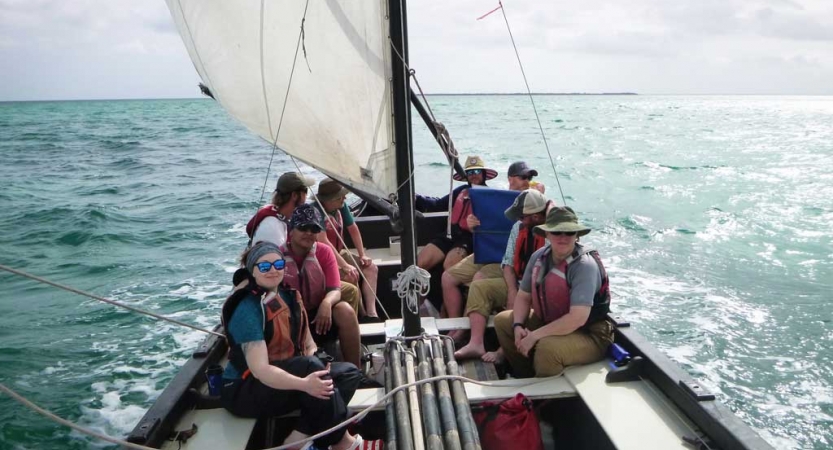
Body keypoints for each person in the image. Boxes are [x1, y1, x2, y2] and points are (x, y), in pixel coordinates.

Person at [220, 241, 370, 450]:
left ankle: (297, 440)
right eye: (264, 266)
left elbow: (308, 343)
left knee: (349, 374)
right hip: (245, 389)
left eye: (278, 265)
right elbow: (260, 370)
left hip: (282, 377)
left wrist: (320, 367)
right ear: (252, 271)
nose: (273, 271)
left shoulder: (289, 296)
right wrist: (305, 384)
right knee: (313, 371)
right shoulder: (248, 309)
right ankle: (345, 443)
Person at [494, 207, 614, 377]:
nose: (563, 238)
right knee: (502, 321)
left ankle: (544, 396)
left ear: (577, 236)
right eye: (557, 232)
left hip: (590, 334)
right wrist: (518, 326)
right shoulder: (539, 257)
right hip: (551, 320)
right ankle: (525, 376)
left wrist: (534, 336)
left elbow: (577, 318)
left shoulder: (584, 266)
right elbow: (523, 296)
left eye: (569, 233)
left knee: (547, 348)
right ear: (547, 234)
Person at [442, 160, 542, 329]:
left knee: (478, 279)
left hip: (507, 259)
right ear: (511, 179)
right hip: (487, 252)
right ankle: (456, 326)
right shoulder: (495, 199)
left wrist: (539, 193)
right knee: (447, 278)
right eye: (523, 177)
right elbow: (483, 229)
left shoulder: (535, 201)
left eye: (530, 177)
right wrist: (473, 225)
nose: (527, 181)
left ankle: (470, 330)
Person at [453, 189, 552, 361]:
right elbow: (507, 263)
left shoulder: (553, 234)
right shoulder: (518, 227)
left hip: (541, 290)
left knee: (522, 305)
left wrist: (521, 295)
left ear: (536, 217)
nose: (518, 220)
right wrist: (512, 291)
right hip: (520, 283)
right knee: (479, 287)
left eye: (522, 217)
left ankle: (503, 351)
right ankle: (476, 343)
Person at [281, 203, 363, 368]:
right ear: (291, 230)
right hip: (291, 320)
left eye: (314, 229)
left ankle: (356, 370)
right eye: (303, 227)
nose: (309, 233)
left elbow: (335, 289)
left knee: (345, 311)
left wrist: (326, 303)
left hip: (319, 317)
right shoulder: (277, 256)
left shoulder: (324, 252)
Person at [414, 155, 497, 272]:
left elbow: (494, 225)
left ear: (483, 173)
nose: (473, 175)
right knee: (419, 263)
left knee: (450, 265)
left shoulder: (491, 196)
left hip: (469, 238)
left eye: (477, 171)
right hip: (450, 234)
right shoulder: (461, 191)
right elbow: (438, 204)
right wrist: (417, 199)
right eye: (470, 172)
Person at [313, 178, 381, 322]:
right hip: (324, 260)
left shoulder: (340, 207)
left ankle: (372, 313)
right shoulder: (316, 212)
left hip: (340, 252)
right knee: (351, 275)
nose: (345, 198)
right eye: (341, 196)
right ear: (330, 199)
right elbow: (323, 241)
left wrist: (362, 255)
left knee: (371, 268)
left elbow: (353, 229)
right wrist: (345, 265)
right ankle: (361, 316)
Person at [247, 172, 316, 247]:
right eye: (305, 191)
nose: (306, 197)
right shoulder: (272, 227)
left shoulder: (279, 217)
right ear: (294, 195)